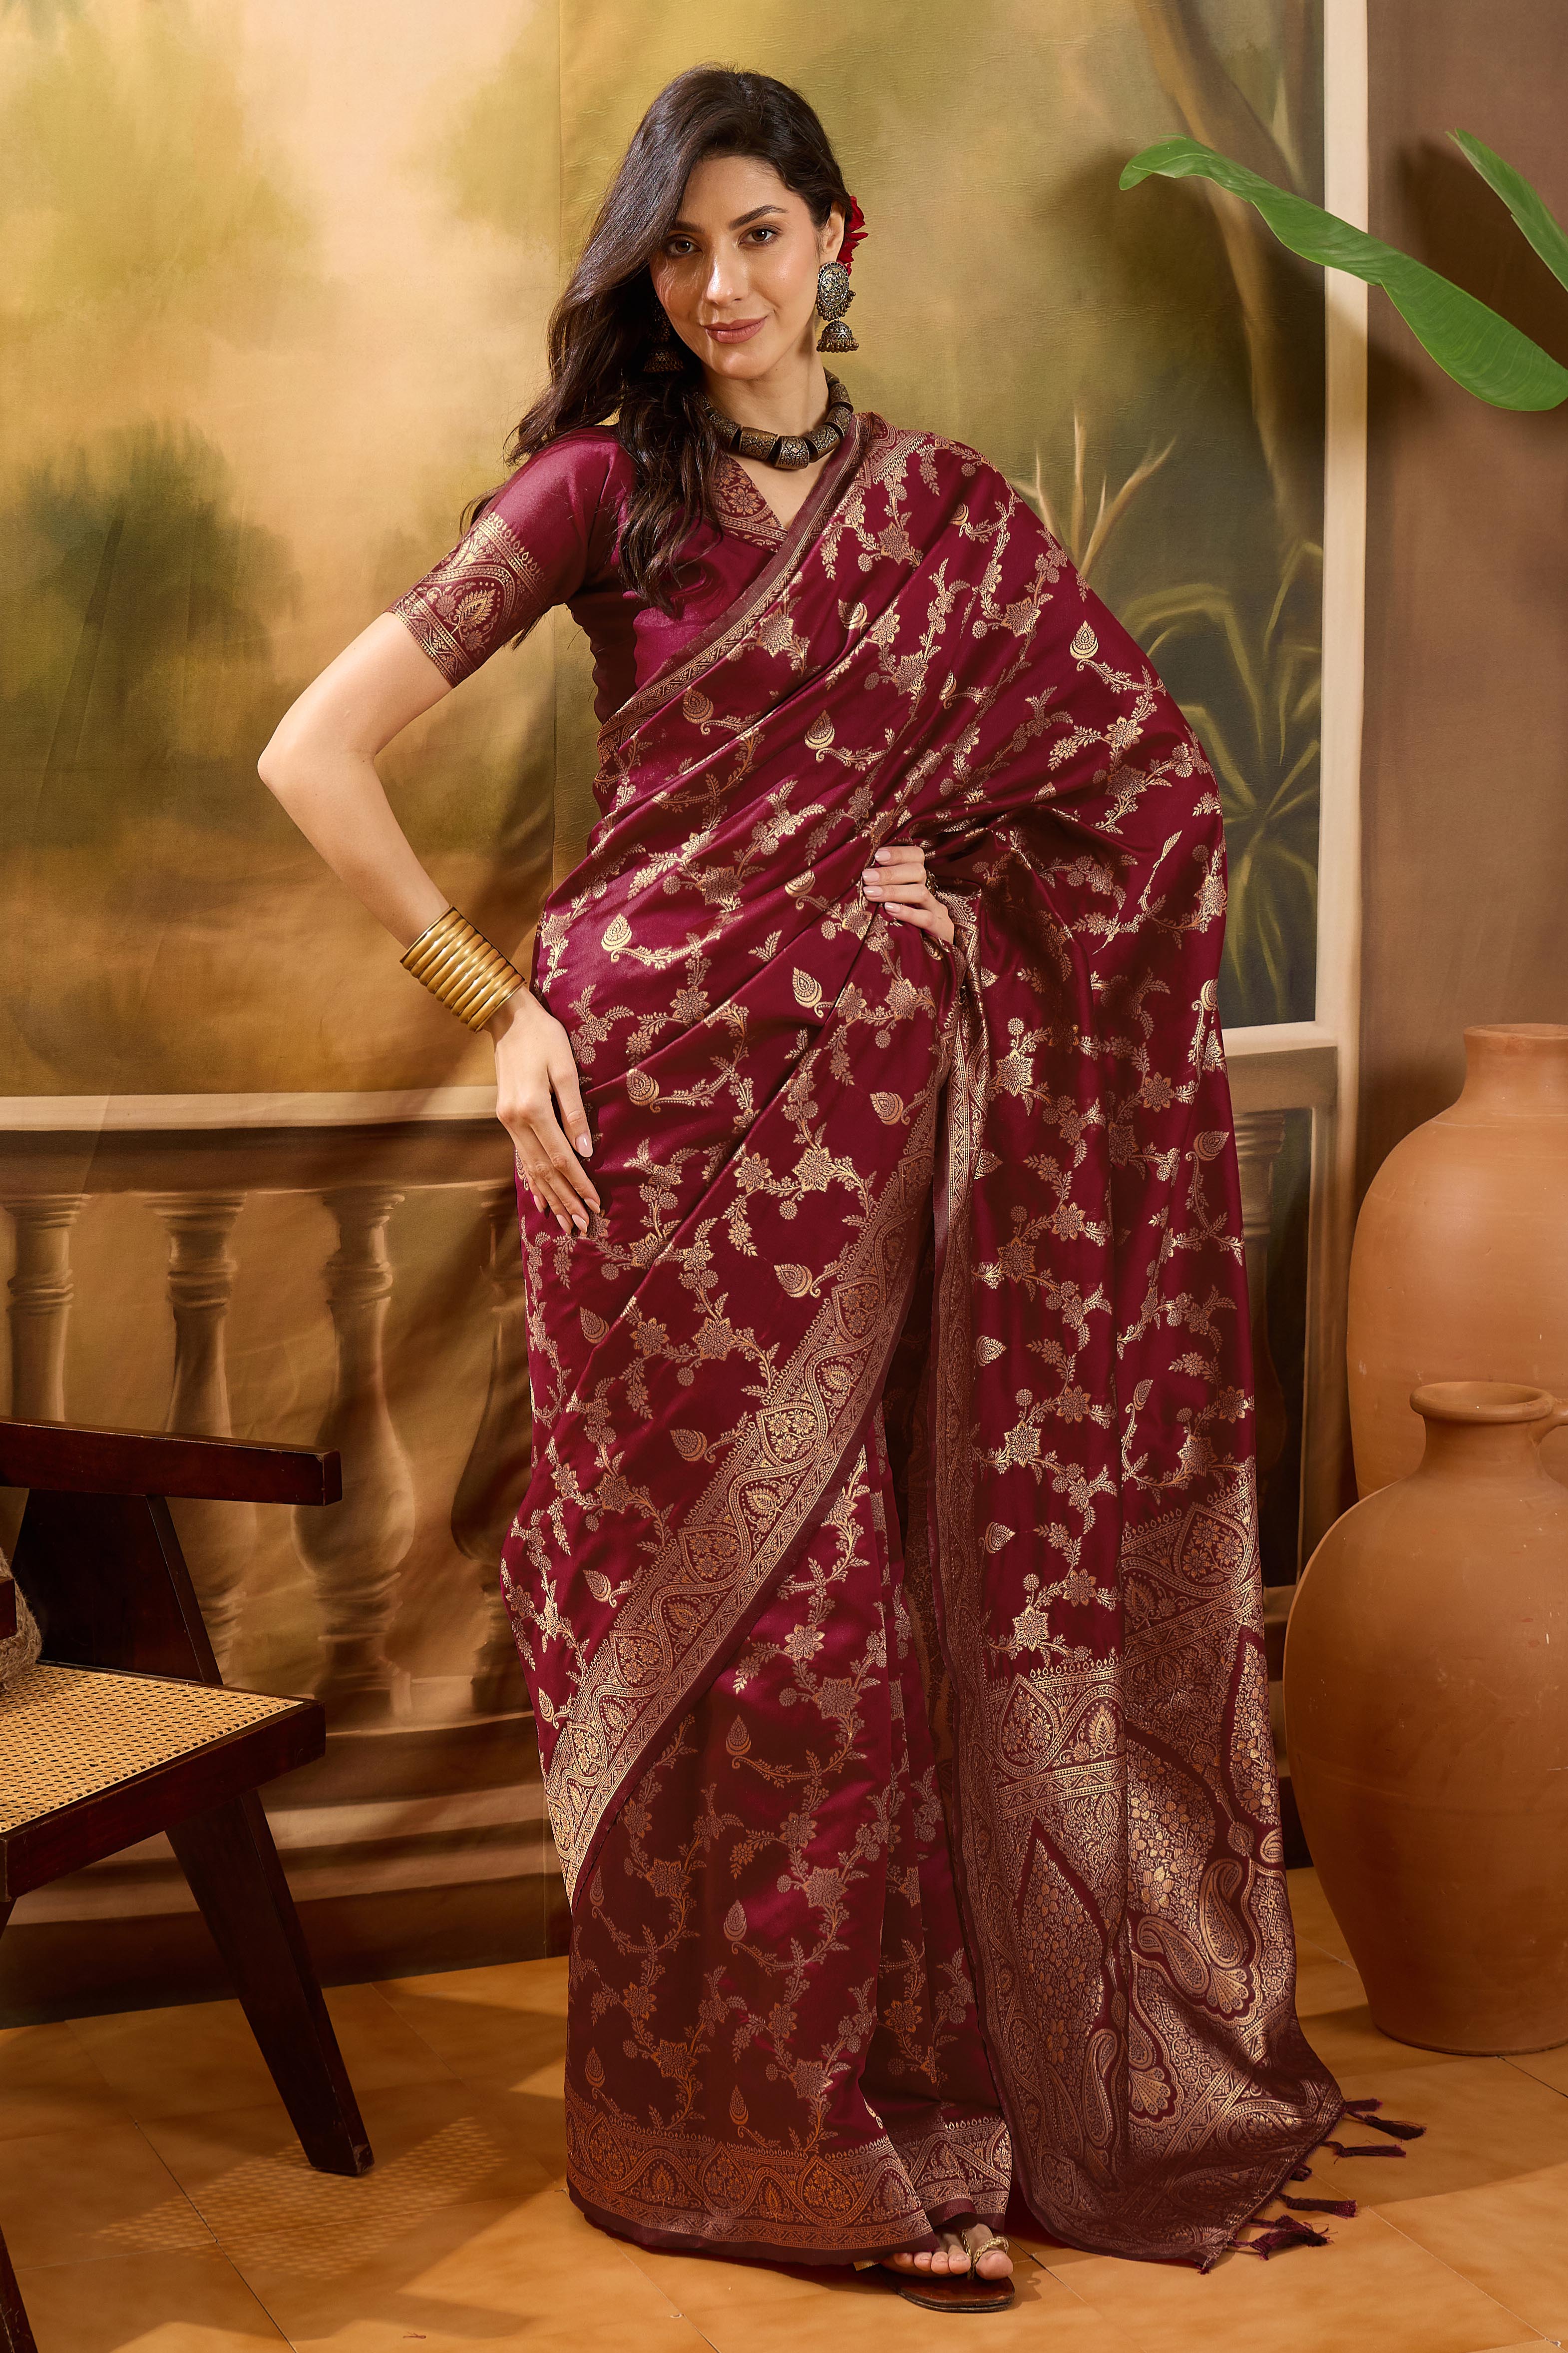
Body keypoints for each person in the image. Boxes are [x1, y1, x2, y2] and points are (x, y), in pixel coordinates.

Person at [259, 62, 1344, 2316]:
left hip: (875, 1141)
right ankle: (743, 2141)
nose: (722, 284)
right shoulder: (598, 490)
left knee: (871, 1641)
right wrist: (495, 1003)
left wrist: (968, 887)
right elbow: (312, 751)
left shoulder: (945, 520)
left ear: (840, 242)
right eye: (680, 247)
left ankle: (895, 2106)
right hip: (643, 1145)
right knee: (754, 1658)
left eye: (759, 233)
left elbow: (1145, 799)